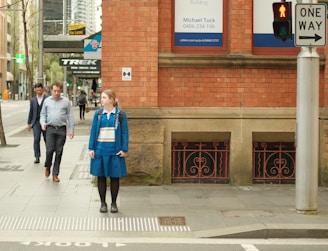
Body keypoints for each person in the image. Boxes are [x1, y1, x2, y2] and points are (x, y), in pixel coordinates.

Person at [88, 89, 129, 213]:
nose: (102, 100)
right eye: (101, 98)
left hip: (114, 151)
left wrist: (124, 149)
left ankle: (114, 203)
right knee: (101, 177)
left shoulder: (120, 114)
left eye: (104, 97)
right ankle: (102, 203)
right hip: (100, 151)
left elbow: (124, 133)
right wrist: (91, 148)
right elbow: (93, 131)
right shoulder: (98, 114)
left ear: (111, 99)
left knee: (114, 178)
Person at [40, 82, 75, 182]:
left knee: (59, 152)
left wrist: (71, 130)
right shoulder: (47, 101)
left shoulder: (66, 101)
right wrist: (43, 123)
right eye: (55, 91)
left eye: (58, 91)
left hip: (61, 129)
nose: (56, 93)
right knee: (49, 150)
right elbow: (42, 114)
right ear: (51, 91)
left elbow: (70, 116)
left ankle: (55, 174)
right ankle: (48, 166)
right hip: (50, 129)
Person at [27, 83, 48, 164]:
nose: (38, 91)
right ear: (35, 90)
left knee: (47, 140)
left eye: (40, 90)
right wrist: (29, 123)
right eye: (37, 90)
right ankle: (37, 156)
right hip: (36, 122)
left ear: (42, 89)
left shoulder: (47, 99)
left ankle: (48, 157)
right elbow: (31, 112)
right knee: (36, 139)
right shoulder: (33, 100)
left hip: (45, 122)